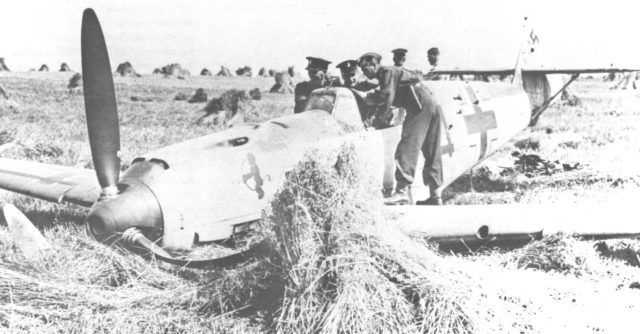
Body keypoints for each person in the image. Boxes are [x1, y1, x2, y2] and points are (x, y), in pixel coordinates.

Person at [358, 52, 443, 205]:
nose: (364, 73)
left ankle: (401, 193)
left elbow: (386, 99)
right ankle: (436, 195)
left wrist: (374, 124)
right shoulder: (392, 72)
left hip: (419, 106)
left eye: (366, 69)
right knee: (431, 150)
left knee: (408, 146)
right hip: (431, 104)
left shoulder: (387, 72)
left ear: (375, 65)